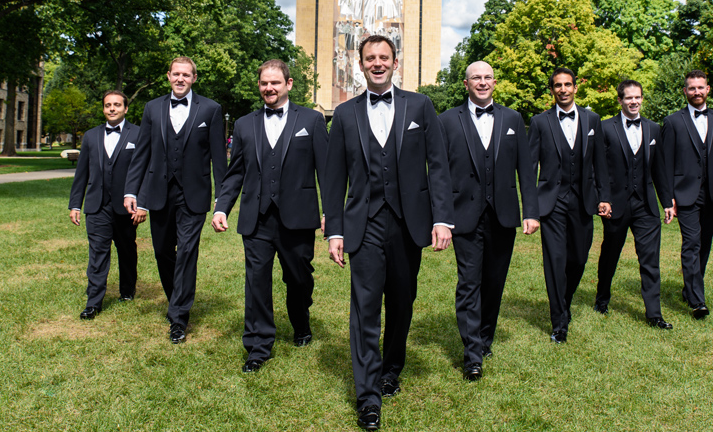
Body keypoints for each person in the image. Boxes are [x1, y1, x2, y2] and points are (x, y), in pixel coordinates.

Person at [323, 35, 453, 432]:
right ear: (360, 64)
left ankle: (392, 368)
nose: (377, 63)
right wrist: (335, 230)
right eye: (370, 58)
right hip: (363, 223)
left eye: (384, 57)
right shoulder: (345, 114)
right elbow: (333, 178)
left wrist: (442, 219)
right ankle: (368, 397)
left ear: (396, 62)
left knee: (402, 301)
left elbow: (438, 164)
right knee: (363, 308)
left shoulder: (420, 105)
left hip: (408, 222)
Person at [212, 60, 328, 373]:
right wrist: (222, 206)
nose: (269, 88)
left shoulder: (313, 120)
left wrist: (331, 212)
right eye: (264, 83)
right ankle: (258, 346)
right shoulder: (244, 124)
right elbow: (235, 172)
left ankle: (301, 321)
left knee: (299, 279)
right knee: (256, 283)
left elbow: (327, 172)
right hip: (257, 219)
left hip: (299, 218)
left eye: (275, 83)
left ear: (289, 84)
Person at [439, 61, 539, 381]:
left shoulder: (512, 119)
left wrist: (531, 211)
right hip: (464, 215)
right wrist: (440, 216)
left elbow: (526, 168)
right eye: (475, 78)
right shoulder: (446, 121)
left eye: (487, 78)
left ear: (495, 83)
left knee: (494, 283)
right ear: (465, 84)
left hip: (503, 214)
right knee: (470, 282)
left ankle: (485, 338)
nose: (482, 83)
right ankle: (472, 354)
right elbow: (438, 173)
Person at [124, 57, 226, 344]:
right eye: (176, 74)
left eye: (186, 74)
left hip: (193, 196)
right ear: (168, 76)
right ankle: (175, 300)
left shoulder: (211, 109)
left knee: (187, 254)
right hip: (159, 193)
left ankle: (179, 318)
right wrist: (132, 191)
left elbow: (219, 159)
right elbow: (141, 153)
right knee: (162, 253)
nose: (180, 79)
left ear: (194, 78)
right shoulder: (152, 108)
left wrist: (222, 201)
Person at [528, 67, 611, 343]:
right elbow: (529, 168)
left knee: (577, 258)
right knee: (555, 261)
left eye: (567, 84)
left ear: (575, 88)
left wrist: (604, 197)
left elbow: (601, 163)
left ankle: (564, 300)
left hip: (584, 201)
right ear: (551, 90)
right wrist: (531, 209)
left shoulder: (593, 120)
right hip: (552, 203)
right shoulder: (540, 122)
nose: (563, 89)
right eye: (557, 85)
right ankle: (559, 321)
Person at [596, 80, 675, 329]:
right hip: (615, 204)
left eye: (638, 97)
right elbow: (598, 168)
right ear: (620, 100)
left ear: (642, 99)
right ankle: (602, 297)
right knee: (610, 254)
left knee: (650, 259)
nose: (634, 102)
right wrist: (603, 198)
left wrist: (667, 201)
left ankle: (654, 313)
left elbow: (660, 169)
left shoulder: (653, 128)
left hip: (646, 206)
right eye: (629, 98)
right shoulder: (605, 128)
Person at [661, 70, 713, 319]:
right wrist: (668, 197)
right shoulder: (673, 122)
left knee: (704, 244)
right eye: (691, 88)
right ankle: (697, 301)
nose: (696, 92)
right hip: (685, 196)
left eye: (700, 88)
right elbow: (665, 164)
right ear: (685, 91)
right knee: (691, 243)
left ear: (708, 89)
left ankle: (690, 288)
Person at [68, 90, 143, 320]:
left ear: (125, 108)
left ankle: (127, 290)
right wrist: (75, 204)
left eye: (117, 105)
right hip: (97, 206)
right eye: (108, 105)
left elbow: (144, 172)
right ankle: (94, 302)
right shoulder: (90, 136)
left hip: (126, 207)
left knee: (127, 249)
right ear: (103, 109)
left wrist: (143, 204)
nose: (112, 108)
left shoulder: (139, 134)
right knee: (98, 252)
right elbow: (81, 173)